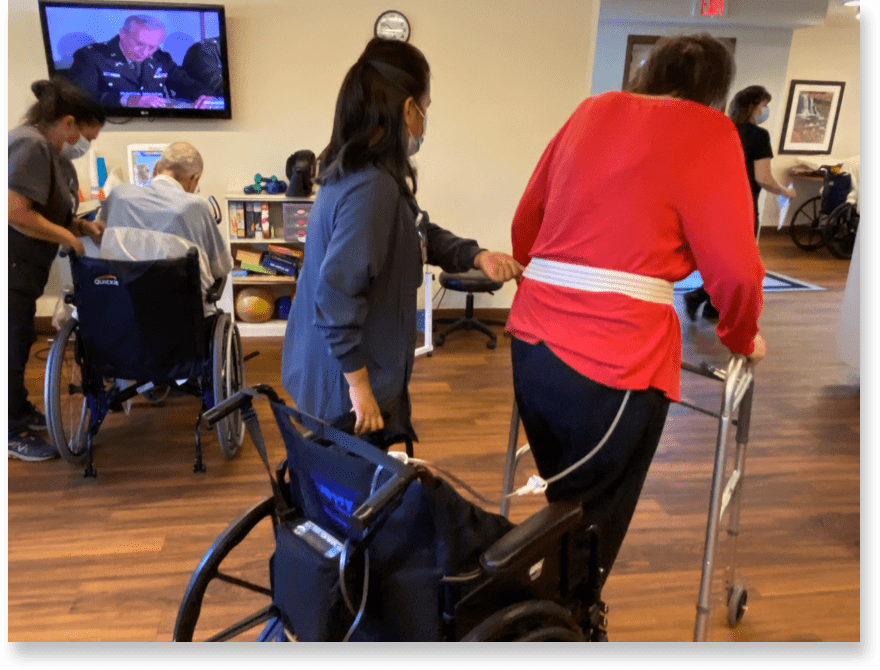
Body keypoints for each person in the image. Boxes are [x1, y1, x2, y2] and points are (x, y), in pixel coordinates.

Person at [506, 34, 767, 586]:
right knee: (592, 524)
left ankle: (543, 607)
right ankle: (562, 617)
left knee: (565, 502)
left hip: (531, 340)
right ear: (715, 90)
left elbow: (526, 226)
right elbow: (737, 271)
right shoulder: (709, 129)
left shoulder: (591, 110)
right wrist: (741, 337)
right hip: (614, 361)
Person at [282, 38, 521, 449]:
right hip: (347, 387)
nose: (424, 121)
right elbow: (335, 295)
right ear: (408, 108)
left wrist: (475, 255)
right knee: (352, 496)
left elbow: (415, 232)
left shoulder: (360, 171)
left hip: (338, 370)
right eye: (425, 109)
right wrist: (360, 388)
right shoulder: (372, 187)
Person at [8, 77, 106, 461]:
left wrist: (81, 225)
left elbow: (52, 209)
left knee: (18, 340)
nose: (85, 146)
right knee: (11, 345)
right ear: (68, 123)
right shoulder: (30, 144)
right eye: (87, 136)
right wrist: (70, 239)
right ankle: (11, 430)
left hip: (25, 267)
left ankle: (18, 411)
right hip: (13, 263)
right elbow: (16, 211)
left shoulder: (53, 154)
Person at [684, 84, 797, 319]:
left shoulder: (720, 129)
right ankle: (701, 297)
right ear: (754, 107)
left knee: (721, 258)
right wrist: (784, 191)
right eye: (764, 106)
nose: (766, 111)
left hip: (713, 203)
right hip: (742, 204)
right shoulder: (758, 136)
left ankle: (713, 304)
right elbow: (763, 177)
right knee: (740, 261)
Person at [100, 142, 232, 316]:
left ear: (156, 168)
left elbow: (98, 239)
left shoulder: (118, 196)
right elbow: (221, 268)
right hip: (180, 318)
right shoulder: (195, 207)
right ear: (195, 179)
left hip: (122, 314)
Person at [65, 15, 215, 109]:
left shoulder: (161, 59)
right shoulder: (92, 55)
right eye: (139, 44)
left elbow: (189, 84)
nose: (145, 52)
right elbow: (80, 98)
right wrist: (129, 100)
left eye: (152, 46)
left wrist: (206, 97)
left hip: (161, 124)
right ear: (123, 34)